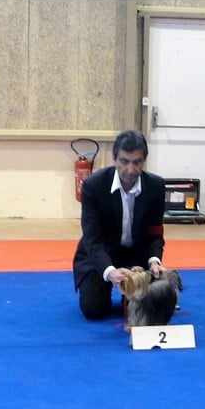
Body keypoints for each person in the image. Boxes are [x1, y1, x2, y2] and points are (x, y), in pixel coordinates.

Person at [72, 129, 167, 320]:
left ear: (144, 161)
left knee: (147, 308)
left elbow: (155, 232)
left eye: (137, 162)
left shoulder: (156, 186)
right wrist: (110, 272)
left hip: (137, 254)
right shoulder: (93, 186)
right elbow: (92, 239)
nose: (130, 169)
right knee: (94, 310)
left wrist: (154, 260)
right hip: (100, 253)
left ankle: (134, 294)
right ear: (114, 159)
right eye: (124, 161)